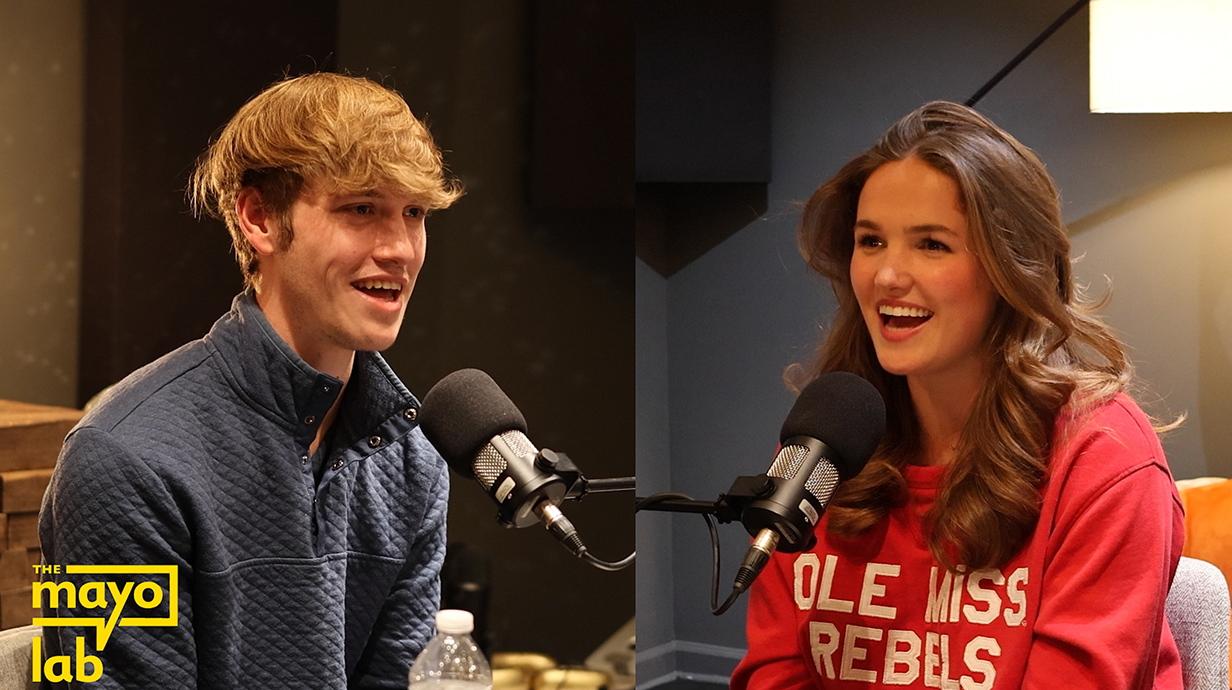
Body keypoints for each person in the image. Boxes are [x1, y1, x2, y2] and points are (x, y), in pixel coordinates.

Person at [730, 102, 1184, 689]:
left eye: (932, 245)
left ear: (1007, 268)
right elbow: (775, 673)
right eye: (871, 242)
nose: (888, 276)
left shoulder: (1103, 457)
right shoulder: (824, 449)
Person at [37, 72, 462, 688]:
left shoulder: (411, 462)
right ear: (259, 218)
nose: (400, 248)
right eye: (361, 208)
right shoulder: (120, 459)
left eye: (414, 213)